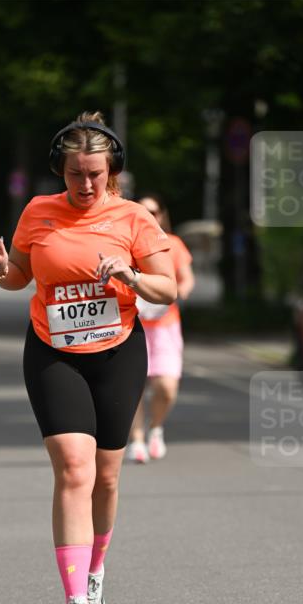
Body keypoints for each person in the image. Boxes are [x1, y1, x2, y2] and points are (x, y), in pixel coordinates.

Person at [0, 111, 176, 604]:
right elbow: (20, 277)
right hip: (52, 350)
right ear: (59, 172)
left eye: (95, 174)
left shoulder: (133, 218)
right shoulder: (39, 212)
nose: (85, 184)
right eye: (74, 174)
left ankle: (94, 574)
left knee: (106, 476)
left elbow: (168, 288)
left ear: (111, 171)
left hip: (117, 354)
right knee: (73, 467)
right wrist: (1, 273)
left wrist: (131, 275)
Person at [126, 194, 195, 463]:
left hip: (165, 326)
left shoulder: (173, 244)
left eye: (154, 212)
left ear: (162, 215)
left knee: (166, 386)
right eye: (144, 211)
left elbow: (186, 278)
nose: (150, 216)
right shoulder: (127, 242)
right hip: (132, 324)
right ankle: (137, 440)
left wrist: (183, 291)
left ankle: (155, 428)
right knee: (133, 387)